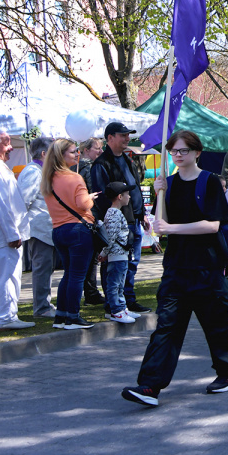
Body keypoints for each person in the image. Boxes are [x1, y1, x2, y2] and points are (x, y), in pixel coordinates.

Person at [121, 130, 228, 407]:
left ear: (197, 152)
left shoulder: (210, 182)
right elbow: (159, 227)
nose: (177, 155)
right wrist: (158, 193)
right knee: (166, 327)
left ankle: (227, 372)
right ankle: (150, 386)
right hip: (176, 268)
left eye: (183, 150)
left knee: (216, 325)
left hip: (207, 267)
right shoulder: (169, 184)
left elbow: (213, 225)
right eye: (174, 150)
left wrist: (172, 228)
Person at [89, 121, 150, 314]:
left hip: (134, 221)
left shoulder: (128, 159)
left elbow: (135, 189)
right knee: (114, 265)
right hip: (117, 224)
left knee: (130, 264)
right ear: (110, 138)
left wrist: (142, 214)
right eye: (123, 135)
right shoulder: (101, 164)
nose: (127, 138)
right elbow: (102, 197)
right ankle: (113, 304)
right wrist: (115, 221)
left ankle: (127, 300)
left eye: (128, 135)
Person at [39, 137, 95, 331]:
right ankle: (73, 316)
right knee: (77, 276)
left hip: (58, 230)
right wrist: (90, 198)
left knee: (69, 274)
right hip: (78, 230)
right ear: (61, 155)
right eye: (73, 151)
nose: (77, 154)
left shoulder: (48, 179)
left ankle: (61, 316)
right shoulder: (74, 177)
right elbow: (83, 204)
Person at [0, 130, 32, 329]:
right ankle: (7, 317)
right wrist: (12, 233)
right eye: (6, 143)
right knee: (7, 276)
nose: (10, 147)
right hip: (2, 235)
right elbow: (0, 204)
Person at [17, 136, 58, 319]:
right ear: (43, 154)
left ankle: (44, 303)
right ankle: (41, 308)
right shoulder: (33, 172)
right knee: (42, 268)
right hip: (39, 229)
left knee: (47, 267)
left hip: (47, 228)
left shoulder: (41, 171)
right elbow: (23, 201)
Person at [95, 182, 137, 323]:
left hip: (121, 255)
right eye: (127, 194)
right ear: (119, 196)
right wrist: (104, 253)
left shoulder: (116, 212)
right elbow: (110, 236)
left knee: (119, 284)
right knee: (114, 284)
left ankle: (122, 307)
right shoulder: (113, 213)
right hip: (116, 255)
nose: (129, 197)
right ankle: (116, 311)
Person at [77, 137, 105, 306]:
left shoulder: (76, 167)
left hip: (83, 216)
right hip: (90, 216)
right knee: (91, 257)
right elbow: (94, 192)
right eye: (97, 148)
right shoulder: (89, 168)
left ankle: (90, 291)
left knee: (90, 257)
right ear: (86, 150)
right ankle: (91, 293)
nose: (101, 151)